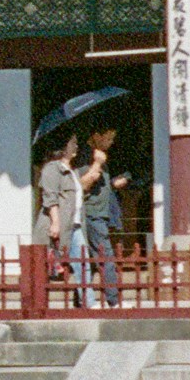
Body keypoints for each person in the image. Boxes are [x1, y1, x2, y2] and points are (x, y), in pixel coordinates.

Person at [74, 127, 128, 308]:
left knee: (88, 256)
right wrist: (97, 163)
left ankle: (82, 300)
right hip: (92, 213)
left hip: (101, 213)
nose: (111, 142)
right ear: (96, 135)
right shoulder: (85, 156)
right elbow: (82, 184)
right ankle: (113, 300)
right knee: (105, 255)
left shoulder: (101, 156)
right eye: (108, 137)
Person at [36, 133, 82, 269]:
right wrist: (55, 223)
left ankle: (84, 291)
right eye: (72, 143)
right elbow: (51, 198)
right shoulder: (52, 168)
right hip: (62, 224)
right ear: (63, 147)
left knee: (82, 265)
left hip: (75, 223)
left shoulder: (73, 171)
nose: (76, 146)